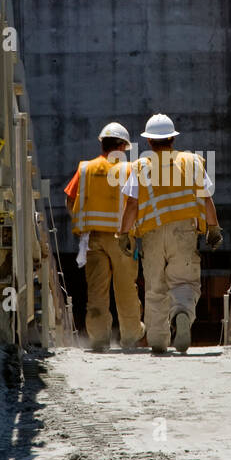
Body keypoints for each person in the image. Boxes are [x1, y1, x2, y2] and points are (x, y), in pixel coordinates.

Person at [117, 113, 222, 355]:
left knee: (155, 286)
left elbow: (131, 205)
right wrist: (213, 227)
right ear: (172, 139)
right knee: (184, 281)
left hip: (152, 234)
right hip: (184, 232)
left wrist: (124, 234)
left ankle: (157, 339)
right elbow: (206, 198)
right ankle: (182, 313)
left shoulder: (141, 166)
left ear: (150, 142)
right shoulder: (192, 162)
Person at [64, 123, 144, 352]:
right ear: (121, 146)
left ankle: (99, 338)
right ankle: (130, 337)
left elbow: (70, 200)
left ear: (103, 144)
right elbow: (138, 203)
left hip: (93, 239)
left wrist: (84, 221)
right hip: (122, 238)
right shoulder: (130, 169)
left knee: (97, 290)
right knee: (126, 288)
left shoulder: (86, 169)